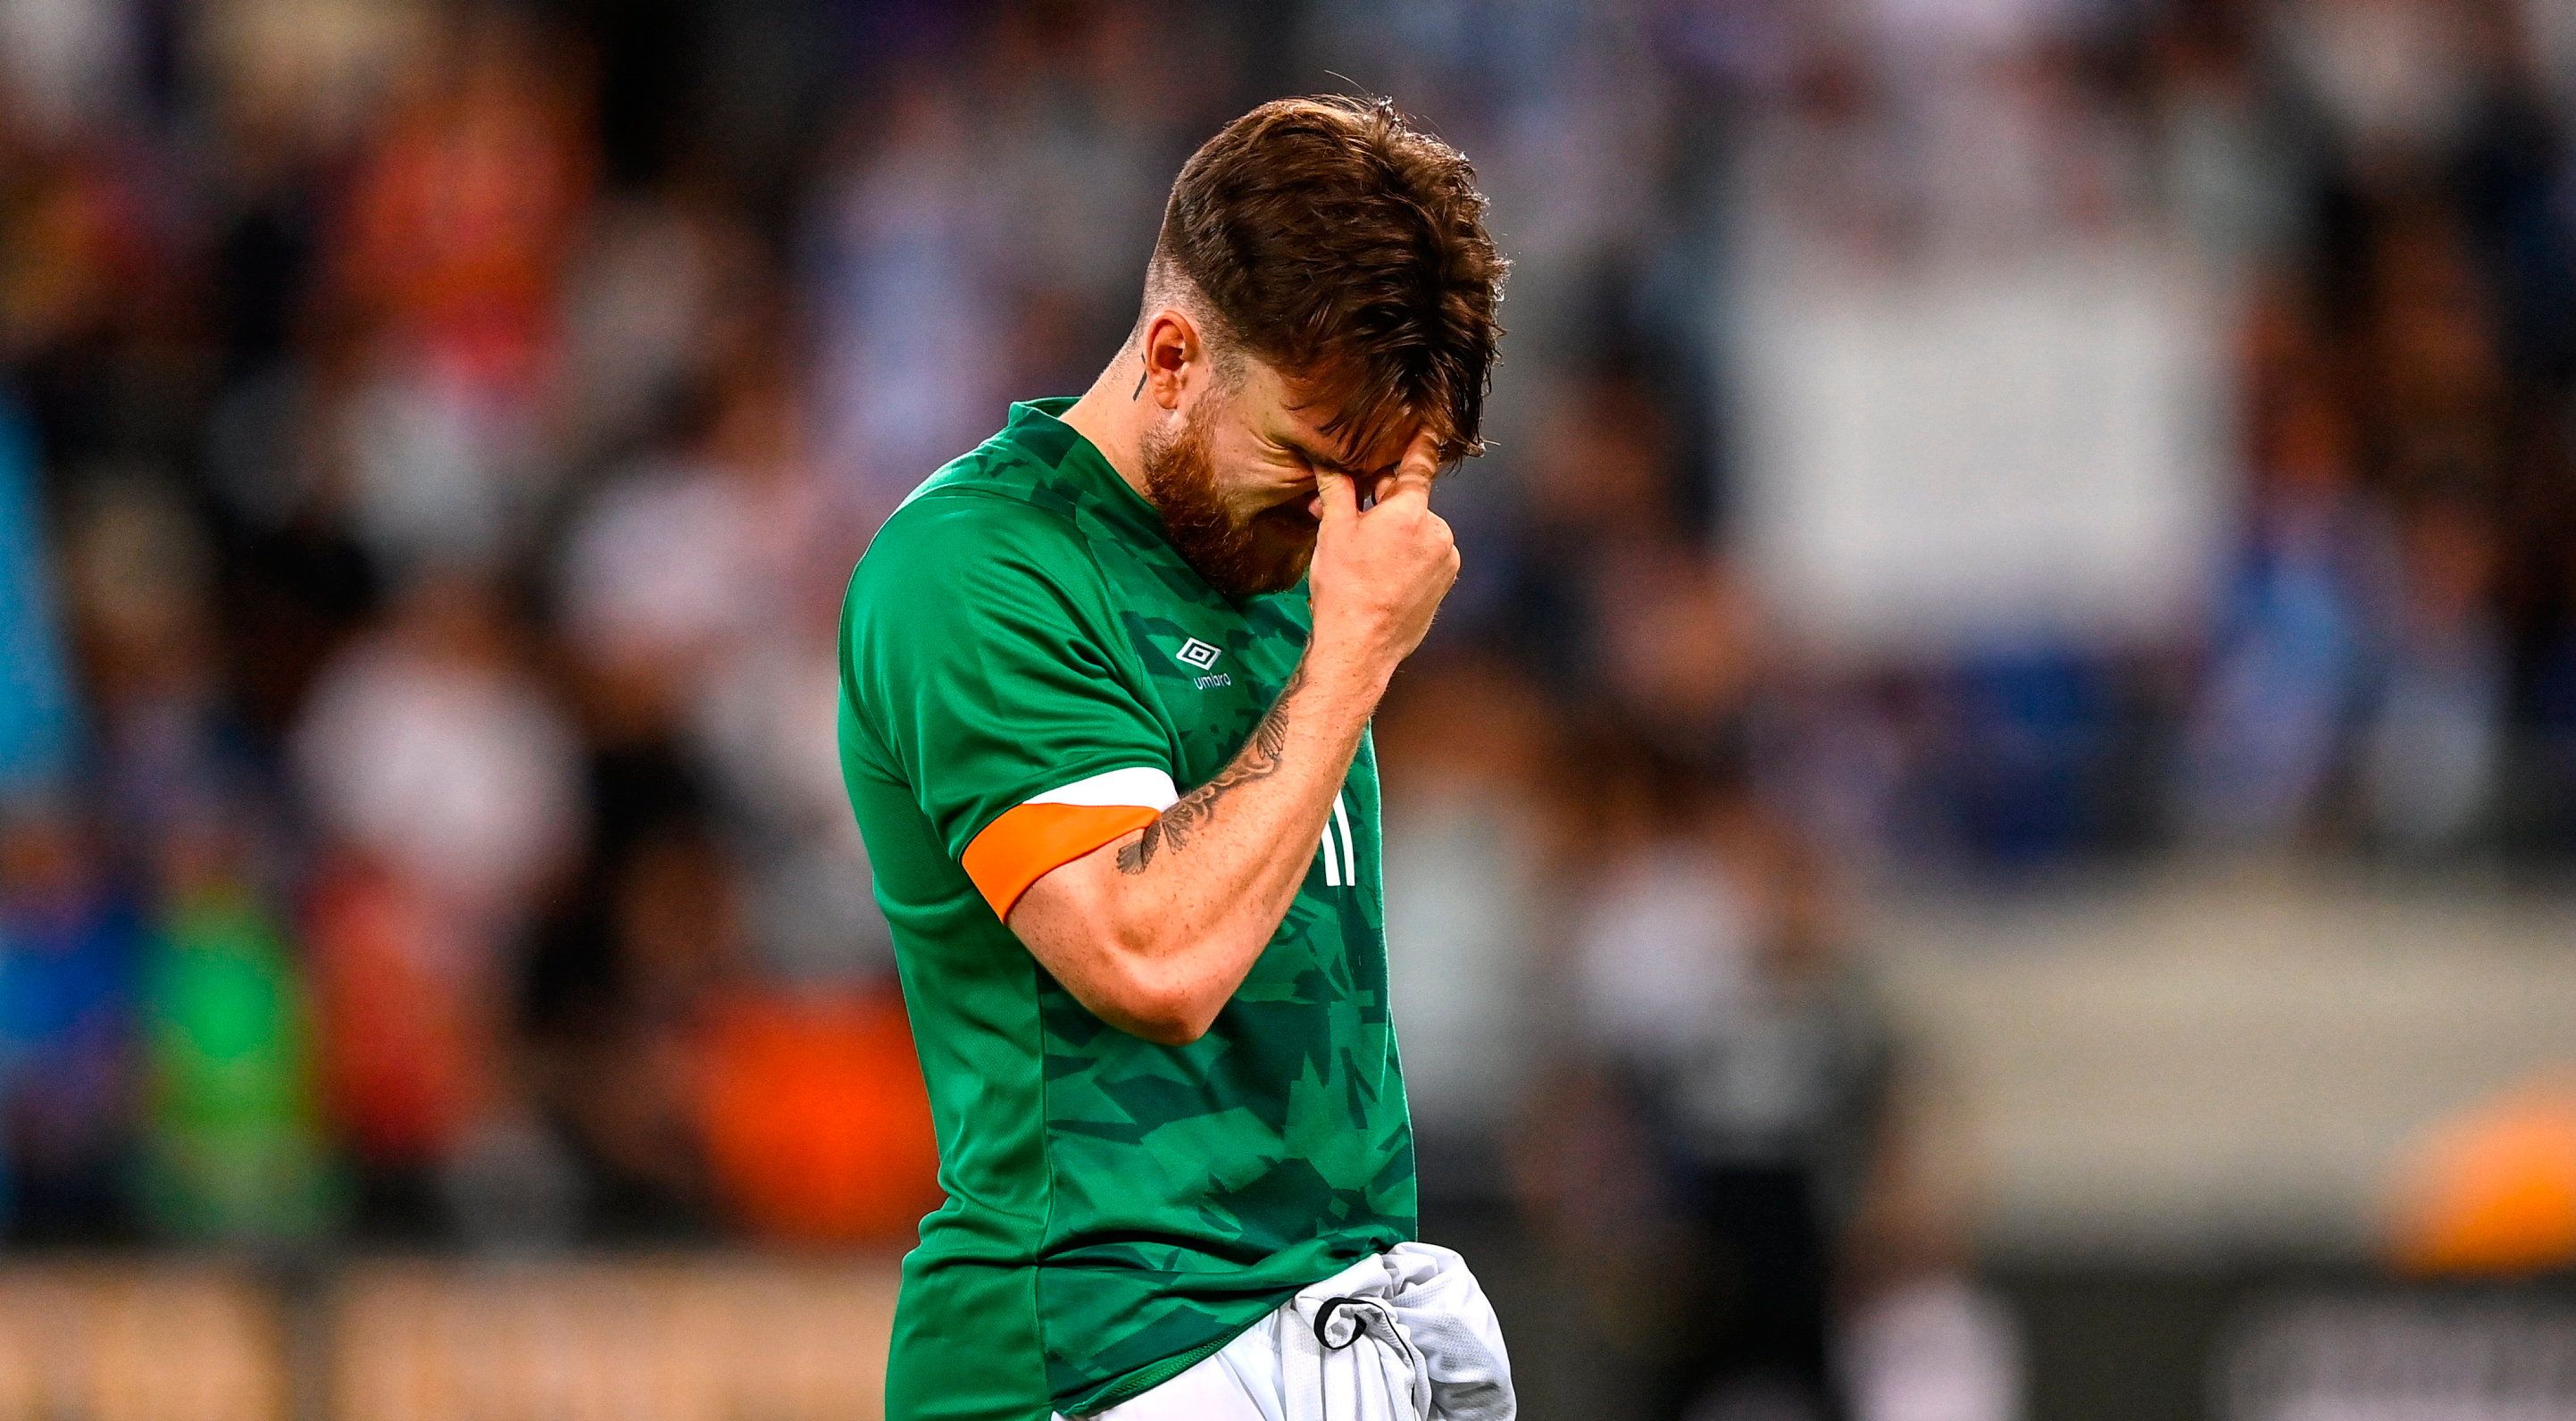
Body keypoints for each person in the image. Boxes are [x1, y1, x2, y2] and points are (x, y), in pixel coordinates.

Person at [835, 97, 1513, 1421]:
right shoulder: (981, 568)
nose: (1338, 526)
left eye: (1379, 484)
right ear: (1170, 355)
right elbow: (1150, 958)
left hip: (1333, 1318)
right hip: (1102, 1349)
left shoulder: (1276, 556)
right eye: (1309, 468)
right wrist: (1350, 661)